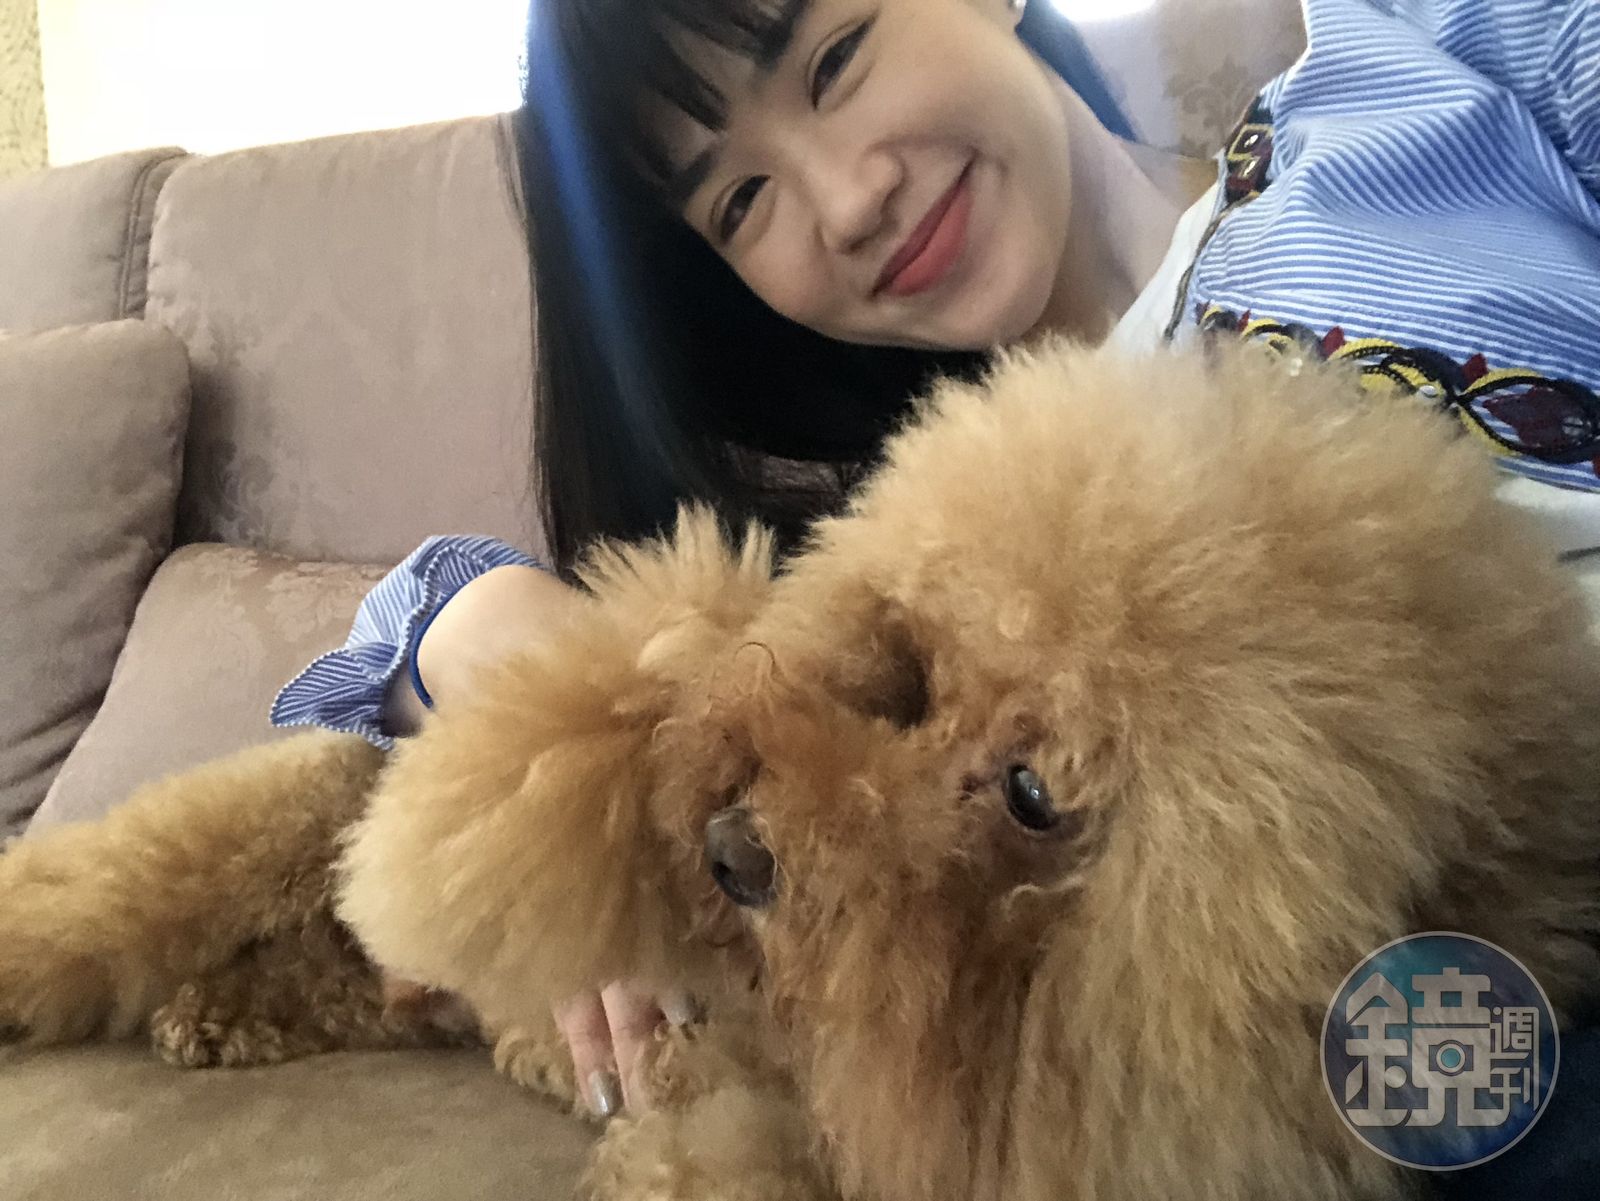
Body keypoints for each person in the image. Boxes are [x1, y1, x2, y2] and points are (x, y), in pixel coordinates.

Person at [270, 0, 1600, 1124]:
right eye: (741, 200)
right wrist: (508, 632)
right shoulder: (902, 579)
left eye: (836, 60)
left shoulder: (1403, 80)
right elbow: (391, 628)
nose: (848, 201)